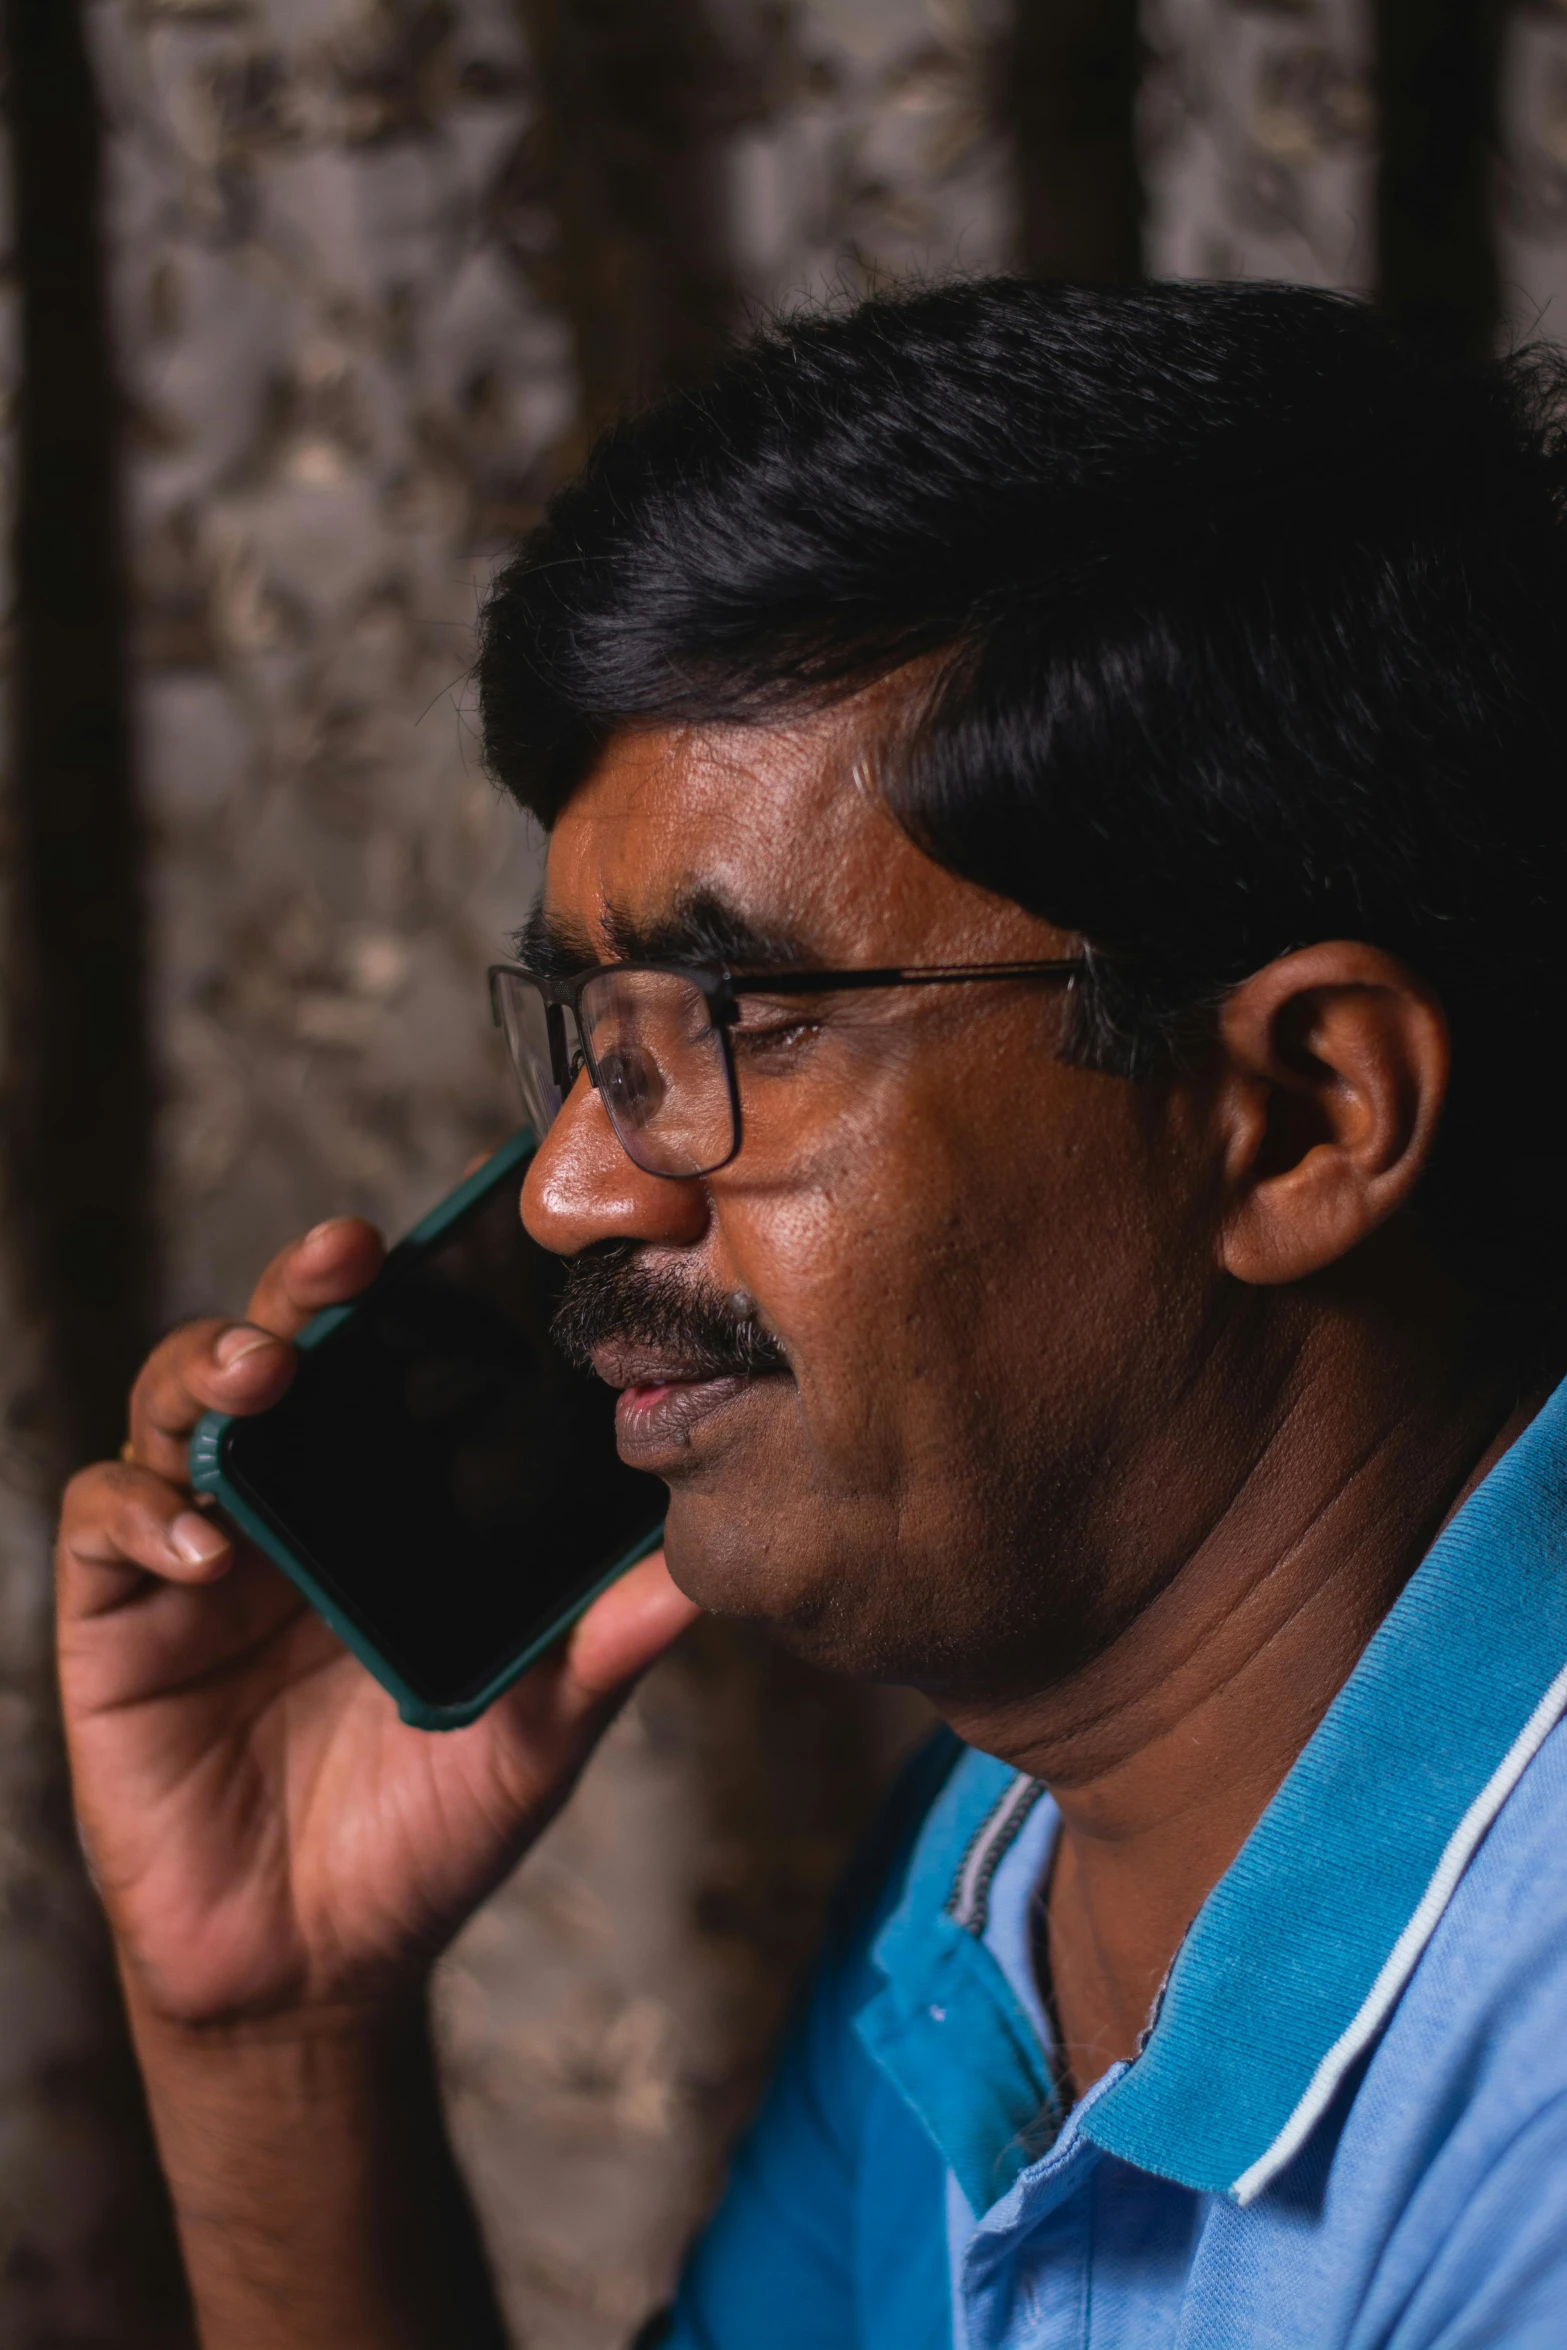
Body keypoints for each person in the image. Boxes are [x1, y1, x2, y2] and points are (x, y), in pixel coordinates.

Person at [56, 279, 1567, 2349]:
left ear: (1296, 1112)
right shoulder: (1009, 1850)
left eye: (739, 1016)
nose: (580, 1184)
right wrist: (279, 2031)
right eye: (592, 1040)